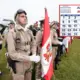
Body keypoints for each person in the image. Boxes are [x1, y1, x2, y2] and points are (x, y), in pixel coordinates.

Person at [6, 9, 40, 80]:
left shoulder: (29, 32)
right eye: (22, 16)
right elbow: (12, 54)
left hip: (28, 63)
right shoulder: (12, 33)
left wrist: (33, 54)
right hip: (19, 64)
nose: (25, 18)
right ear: (16, 18)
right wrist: (30, 58)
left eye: (25, 16)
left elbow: (33, 43)